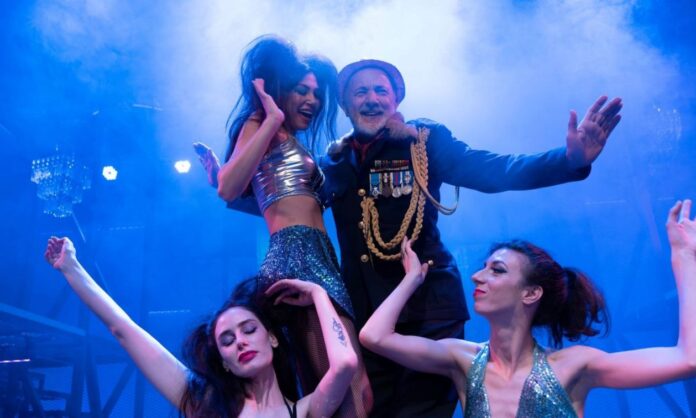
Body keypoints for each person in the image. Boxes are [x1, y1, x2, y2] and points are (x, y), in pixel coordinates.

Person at [318, 59, 623, 417]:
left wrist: (569, 160)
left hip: (428, 311)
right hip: (365, 316)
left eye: (380, 90)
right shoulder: (332, 161)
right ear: (345, 105)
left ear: (396, 100)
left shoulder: (423, 141)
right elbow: (281, 203)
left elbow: (494, 169)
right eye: (360, 92)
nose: (371, 99)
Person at [360, 199, 696, 417]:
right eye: (483, 267)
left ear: (531, 293)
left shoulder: (574, 366)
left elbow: (688, 359)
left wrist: (684, 258)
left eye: (497, 270)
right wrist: (412, 280)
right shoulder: (461, 360)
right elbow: (374, 336)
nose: (477, 276)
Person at [193, 35, 371, 416]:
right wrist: (271, 117)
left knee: (347, 388)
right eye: (301, 91)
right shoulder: (262, 122)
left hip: (320, 258)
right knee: (349, 388)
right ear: (278, 91)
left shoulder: (293, 141)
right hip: (296, 258)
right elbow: (228, 188)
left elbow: (278, 201)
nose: (312, 100)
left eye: (316, 93)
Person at [44, 236, 359, 417]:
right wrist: (71, 269)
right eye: (227, 340)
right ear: (224, 361)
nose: (240, 341)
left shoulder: (304, 411)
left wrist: (318, 294)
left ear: (273, 338)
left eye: (249, 330)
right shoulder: (206, 404)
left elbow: (345, 363)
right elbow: (123, 330)